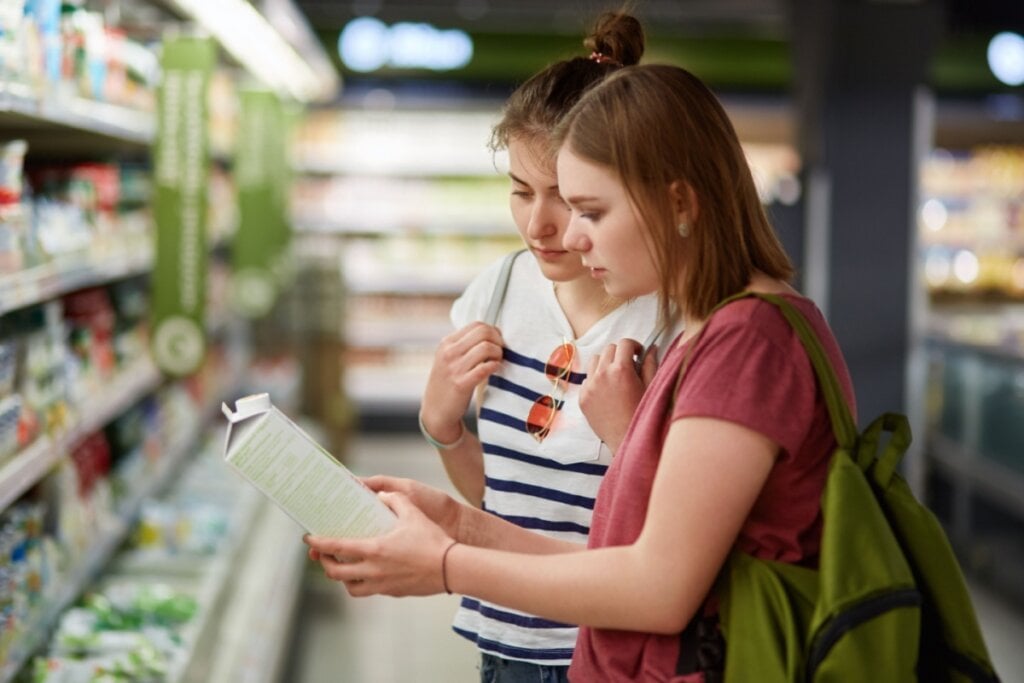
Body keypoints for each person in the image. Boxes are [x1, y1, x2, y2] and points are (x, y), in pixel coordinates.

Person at [306, 63, 857, 683]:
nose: (568, 235)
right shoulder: (714, 329)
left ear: (678, 201)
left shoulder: (747, 342)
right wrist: (455, 521)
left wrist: (446, 565)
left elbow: (658, 587)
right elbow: (623, 558)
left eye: (589, 211)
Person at [414, 11, 671, 681]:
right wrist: (443, 424)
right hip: (502, 636)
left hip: (609, 650)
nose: (539, 224)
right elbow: (500, 500)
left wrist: (628, 438)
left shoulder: (665, 319)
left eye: (568, 198)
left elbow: (674, 536)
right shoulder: (495, 292)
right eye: (521, 192)